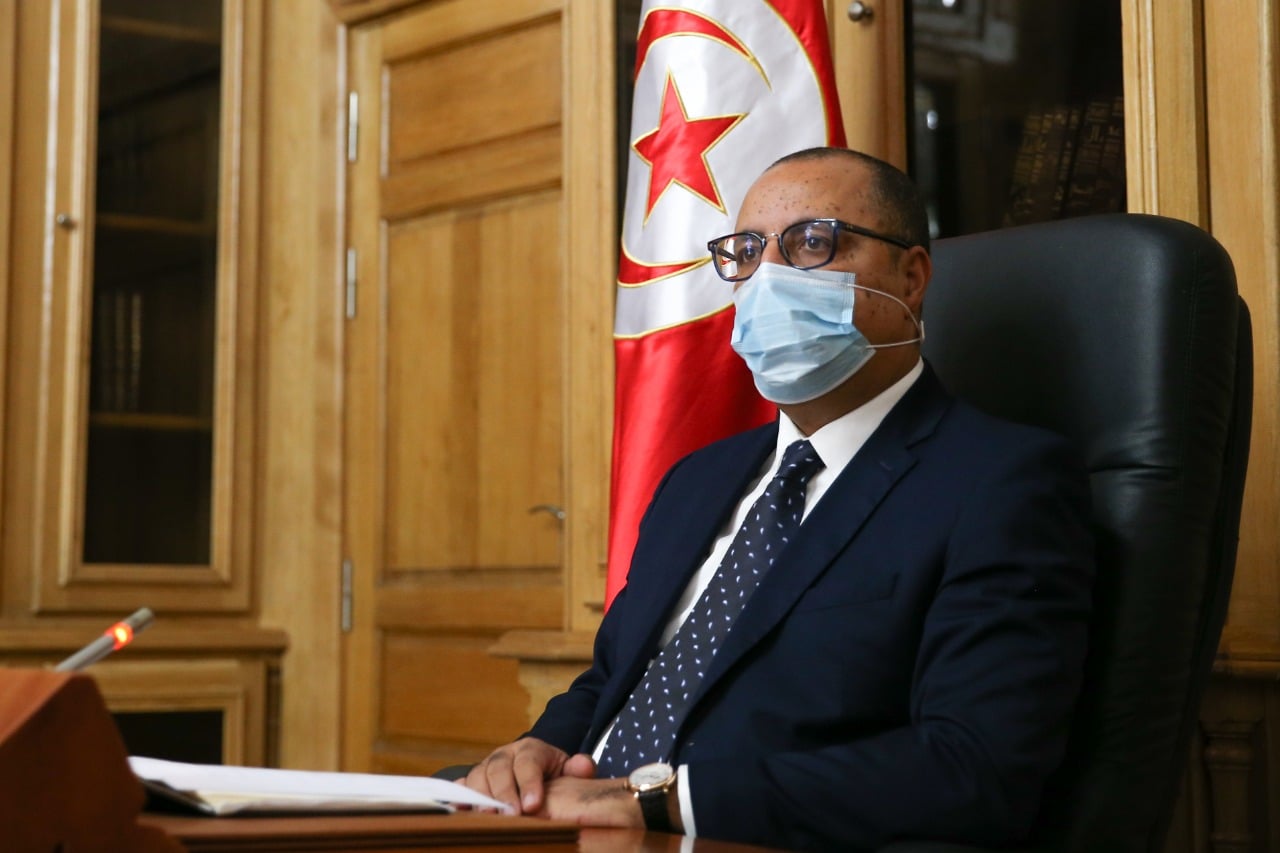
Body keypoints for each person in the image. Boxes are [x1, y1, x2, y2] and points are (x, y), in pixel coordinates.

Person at [462, 147, 1095, 851]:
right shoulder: (697, 478)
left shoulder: (1001, 481)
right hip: (569, 822)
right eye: (745, 252)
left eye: (813, 243)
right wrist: (538, 750)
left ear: (911, 277)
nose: (767, 277)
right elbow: (617, 676)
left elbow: (972, 765)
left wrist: (658, 802)